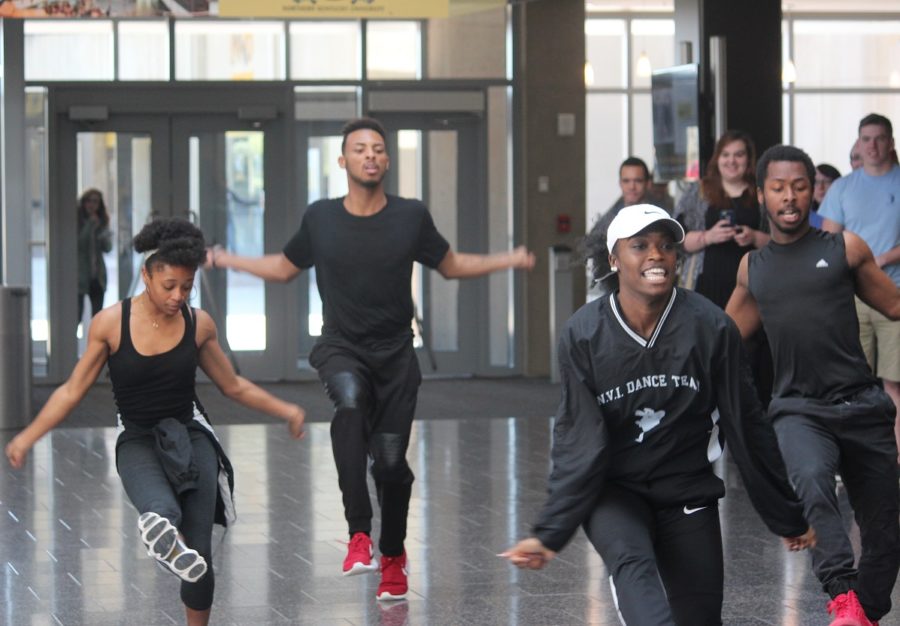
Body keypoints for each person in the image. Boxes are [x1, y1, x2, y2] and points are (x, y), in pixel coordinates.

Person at [208, 117, 536, 601]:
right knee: (349, 399)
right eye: (360, 149)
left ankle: (393, 556)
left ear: (386, 160)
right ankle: (358, 534)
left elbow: (451, 266)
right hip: (341, 345)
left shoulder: (409, 216)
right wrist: (227, 259)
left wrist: (505, 260)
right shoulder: (320, 218)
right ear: (343, 161)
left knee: (388, 465)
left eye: (378, 149)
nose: (370, 155)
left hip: (395, 355)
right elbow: (282, 268)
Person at [502, 204, 814, 625]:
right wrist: (550, 532)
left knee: (700, 617)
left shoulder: (711, 327)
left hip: (687, 490)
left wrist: (786, 514)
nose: (656, 255)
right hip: (615, 492)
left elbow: (747, 424)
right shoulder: (584, 333)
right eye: (640, 245)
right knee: (640, 585)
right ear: (614, 258)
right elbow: (578, 440)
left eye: (667, 245)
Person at [6, 217, 308, 626]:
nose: (178, 296)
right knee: (161, 510)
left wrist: (286, 410)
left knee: (199, 558)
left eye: (187, 286)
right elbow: (71, 391)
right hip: (138, 441)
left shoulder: (198, 324)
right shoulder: (110, 323)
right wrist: (27, 437)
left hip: (191, 436)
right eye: (169, 286)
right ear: (146, 275)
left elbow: (233, 386)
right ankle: (163, 537)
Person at [726, 144, 900, 626]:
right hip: (799, 409)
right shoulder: (753, 269)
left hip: (863, 405)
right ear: (762, 194)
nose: (789, 197)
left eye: (799, 187)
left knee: (886, 533)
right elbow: (721, 339)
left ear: (813, 193)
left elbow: (894, 306)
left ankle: (862, 612)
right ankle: (841, 594)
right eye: (778, 188)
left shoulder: (845, 249)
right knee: (812, 486)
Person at [819, 113, 900, 466]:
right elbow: (828, 241)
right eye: (866, 138)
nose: (872, 145)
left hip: (895, 295)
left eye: (879, 138)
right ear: (858, 142)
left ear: (891, 142)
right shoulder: (843, 188)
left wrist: (878, 259)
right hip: (851, 297)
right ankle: (859, 459)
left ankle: (895, 459)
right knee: (854, 384)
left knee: (894, 383)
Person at [673, 130, 769, 307]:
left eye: (738, 155)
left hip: (752, 288)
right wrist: (708, 237)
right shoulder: (698, 191)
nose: (731, 161)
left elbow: (779, 243)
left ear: (749, 159)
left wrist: (754, 237)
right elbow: (676, 240)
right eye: (725, 155)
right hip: (704, 286)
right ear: (717, 158)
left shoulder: (762, 193)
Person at [77, 188, 113, 323]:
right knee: (76, 316)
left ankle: (95, 344)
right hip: (80, 276)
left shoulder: (101, 222)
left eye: (95, 202)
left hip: (97, 276)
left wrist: (101, 231)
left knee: (98, 318)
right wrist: (90, 225)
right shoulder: (77, 222)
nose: (92, 205)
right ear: (84, 203)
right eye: (89, 201)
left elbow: (108, 248)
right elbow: (79, 244)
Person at [811, 163, 841, 228]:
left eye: (827, 181)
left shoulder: (846, 216)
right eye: (816, 182)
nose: (820, 187)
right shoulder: (804, 217)